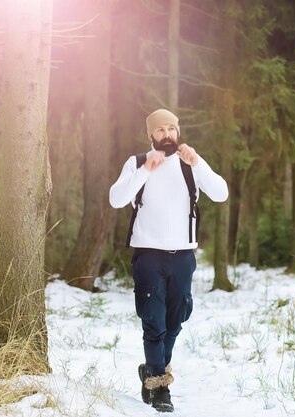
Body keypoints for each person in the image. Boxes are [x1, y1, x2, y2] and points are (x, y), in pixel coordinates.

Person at [109, 109, 228, 412]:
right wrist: (146, 170)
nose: (167, 135)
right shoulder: (137, 163)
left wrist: (198, 163)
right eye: (160, 130)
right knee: (153, 320)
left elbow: (221, 193)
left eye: (172, 129)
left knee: (176, 320)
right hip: (148, 255)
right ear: (151, 135)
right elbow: (116, 199)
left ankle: (152, 368)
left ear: (178, 132)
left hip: (183, 256)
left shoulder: (190, 165)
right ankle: (159, 385)